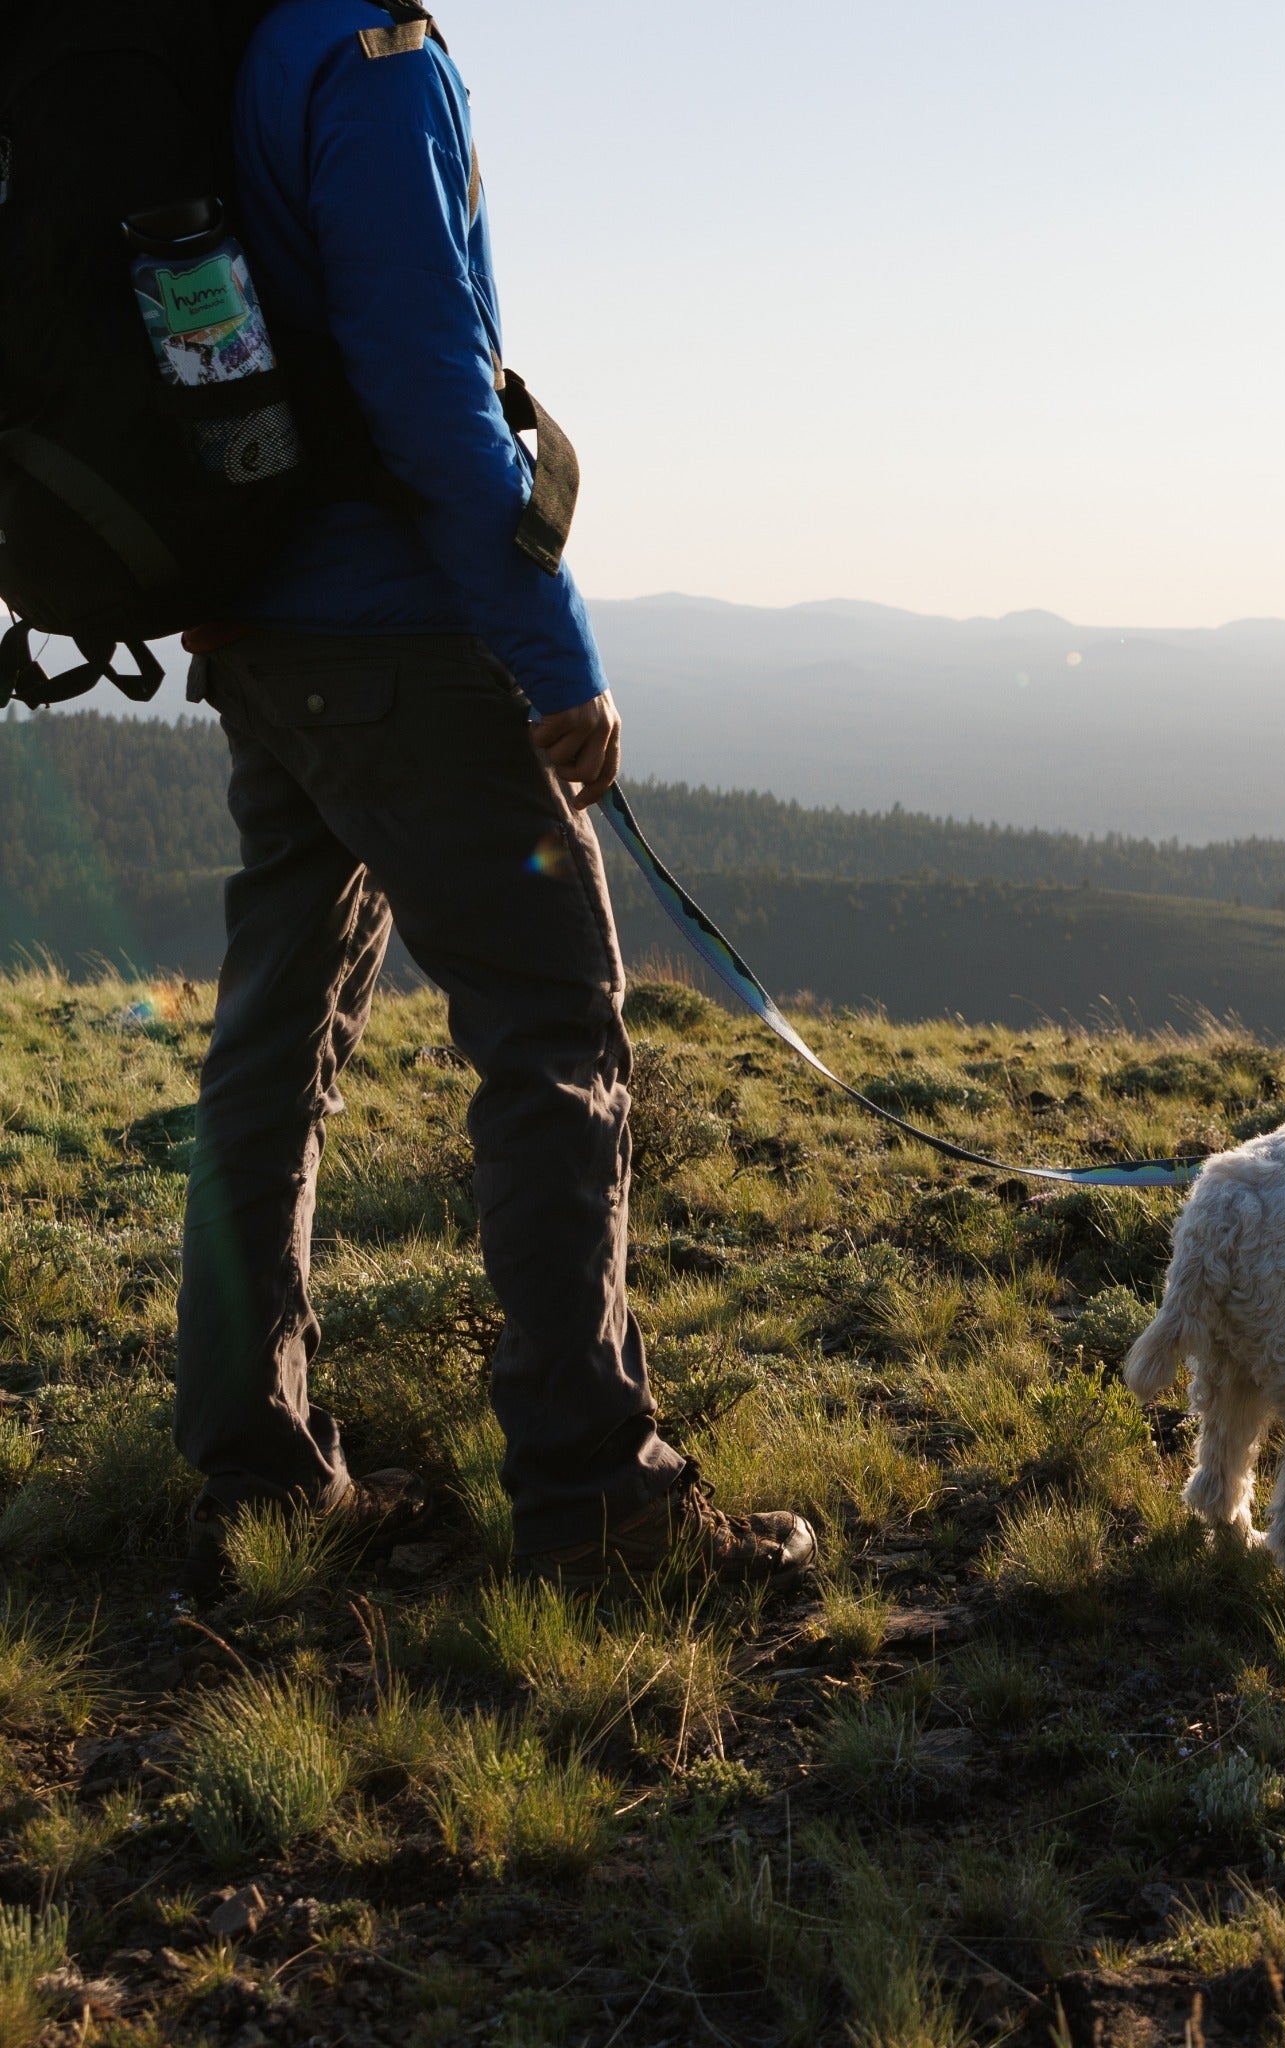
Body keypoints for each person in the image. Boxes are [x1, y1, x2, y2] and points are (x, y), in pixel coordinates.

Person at [176, 0, 815, 1593]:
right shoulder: (371, 58)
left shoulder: (227, 45)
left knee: (270, 1047)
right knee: (555, 1034)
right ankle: (600, 1497)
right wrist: (555, 653)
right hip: (398, 634)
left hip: (260, 622)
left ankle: (251, 1474)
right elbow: (430, 386)